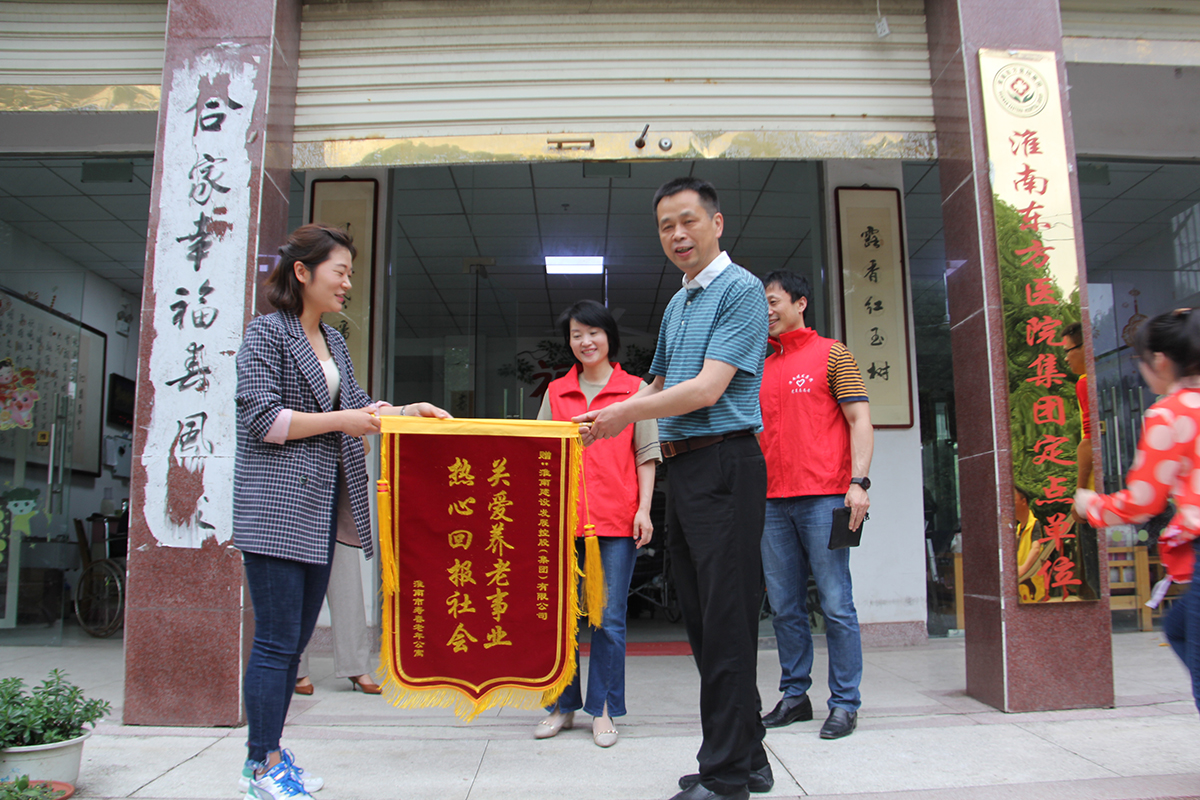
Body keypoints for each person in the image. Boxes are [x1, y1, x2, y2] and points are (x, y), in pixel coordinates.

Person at [234, 223, 449, 800]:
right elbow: (262, 418)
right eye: (341, 272)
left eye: (350, 273)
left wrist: (406, 411)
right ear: (302, 272)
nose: (348, 283)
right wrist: (341, 421)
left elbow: (360, 410)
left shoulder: (332, 341)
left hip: (322, 510)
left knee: (295, 640)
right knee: (277, 644)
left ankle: (271, 754)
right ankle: (260, 765)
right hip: (277, 510)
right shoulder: (266, 334)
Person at [573, 178, 771, 800]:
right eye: (666, 226)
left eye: (688, 221)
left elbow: (707, 389)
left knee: (727, 622)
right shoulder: (679, 301)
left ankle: (725, 777)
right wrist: (601, 414)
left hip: (726, 464)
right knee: (706, 623)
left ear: (717, 222)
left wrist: (622, 415)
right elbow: (655, 384)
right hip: (685, 471)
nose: (678, 235)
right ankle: (749, 758)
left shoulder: (740, 290)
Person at [533, 299, 661, 748]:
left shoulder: (636, 390)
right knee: (560, 618)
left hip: (615, 520)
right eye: (576, 335)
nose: (585, 341)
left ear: (609, 337)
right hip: (562, 523)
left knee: (608, 619)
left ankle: (603, 708)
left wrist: (644, 509)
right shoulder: (556, 393)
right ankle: (562, 706)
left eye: (593, 333)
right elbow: (540, 455)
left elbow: (647, 455)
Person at [756, 271, 872, 740]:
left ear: (800, 303)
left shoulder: (833, 354)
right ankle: (794, 696)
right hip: (770, 502)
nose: (767, 311)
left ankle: (844, 703)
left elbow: (860, 419)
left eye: (773, 301)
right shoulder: (759, 365)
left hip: (824, 496)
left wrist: (859, 482)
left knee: (836, 603)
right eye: (763, 304)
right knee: (784, 607)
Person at [1075, 308, 1200, 715]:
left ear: (1159, 360)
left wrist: (1091, 505)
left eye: (1140, 360)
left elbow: (1143, 501)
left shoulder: (1170, 412)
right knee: (1180, 627)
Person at [294, 541, 382, 696]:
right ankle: (297, 669)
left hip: (339, 524)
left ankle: (356, 667)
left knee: (347, 577)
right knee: (299, 579)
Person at [1062, 322, 1094, 491]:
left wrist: (1081, 490)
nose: (1066, 359)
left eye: (1068, 351)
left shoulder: (1085, 383)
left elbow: (1090, 438)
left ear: (1086, 347)